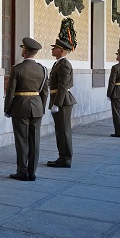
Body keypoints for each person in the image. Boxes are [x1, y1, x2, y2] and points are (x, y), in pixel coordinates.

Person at [4, 37, 49, 181]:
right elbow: (45, 92)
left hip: (20, 107)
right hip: (37, 107)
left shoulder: (17, 69)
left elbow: (10, 91)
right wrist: (41, 108)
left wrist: (7, 108)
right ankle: (32, 172)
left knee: (22, 141)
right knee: (35, 141)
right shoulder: (43, 69)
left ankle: (22, 171)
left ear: (24, 51)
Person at [46, 38, 75, 168]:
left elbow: (63, 85)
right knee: (60, 130)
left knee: (63, 131)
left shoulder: (64, 64)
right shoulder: (58, 63)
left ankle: (65, 159)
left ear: (61, 50)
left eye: (55, 48)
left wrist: (57, 103)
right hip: (59, 99)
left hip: (62, 101)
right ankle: (62, 157)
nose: (52, 49)